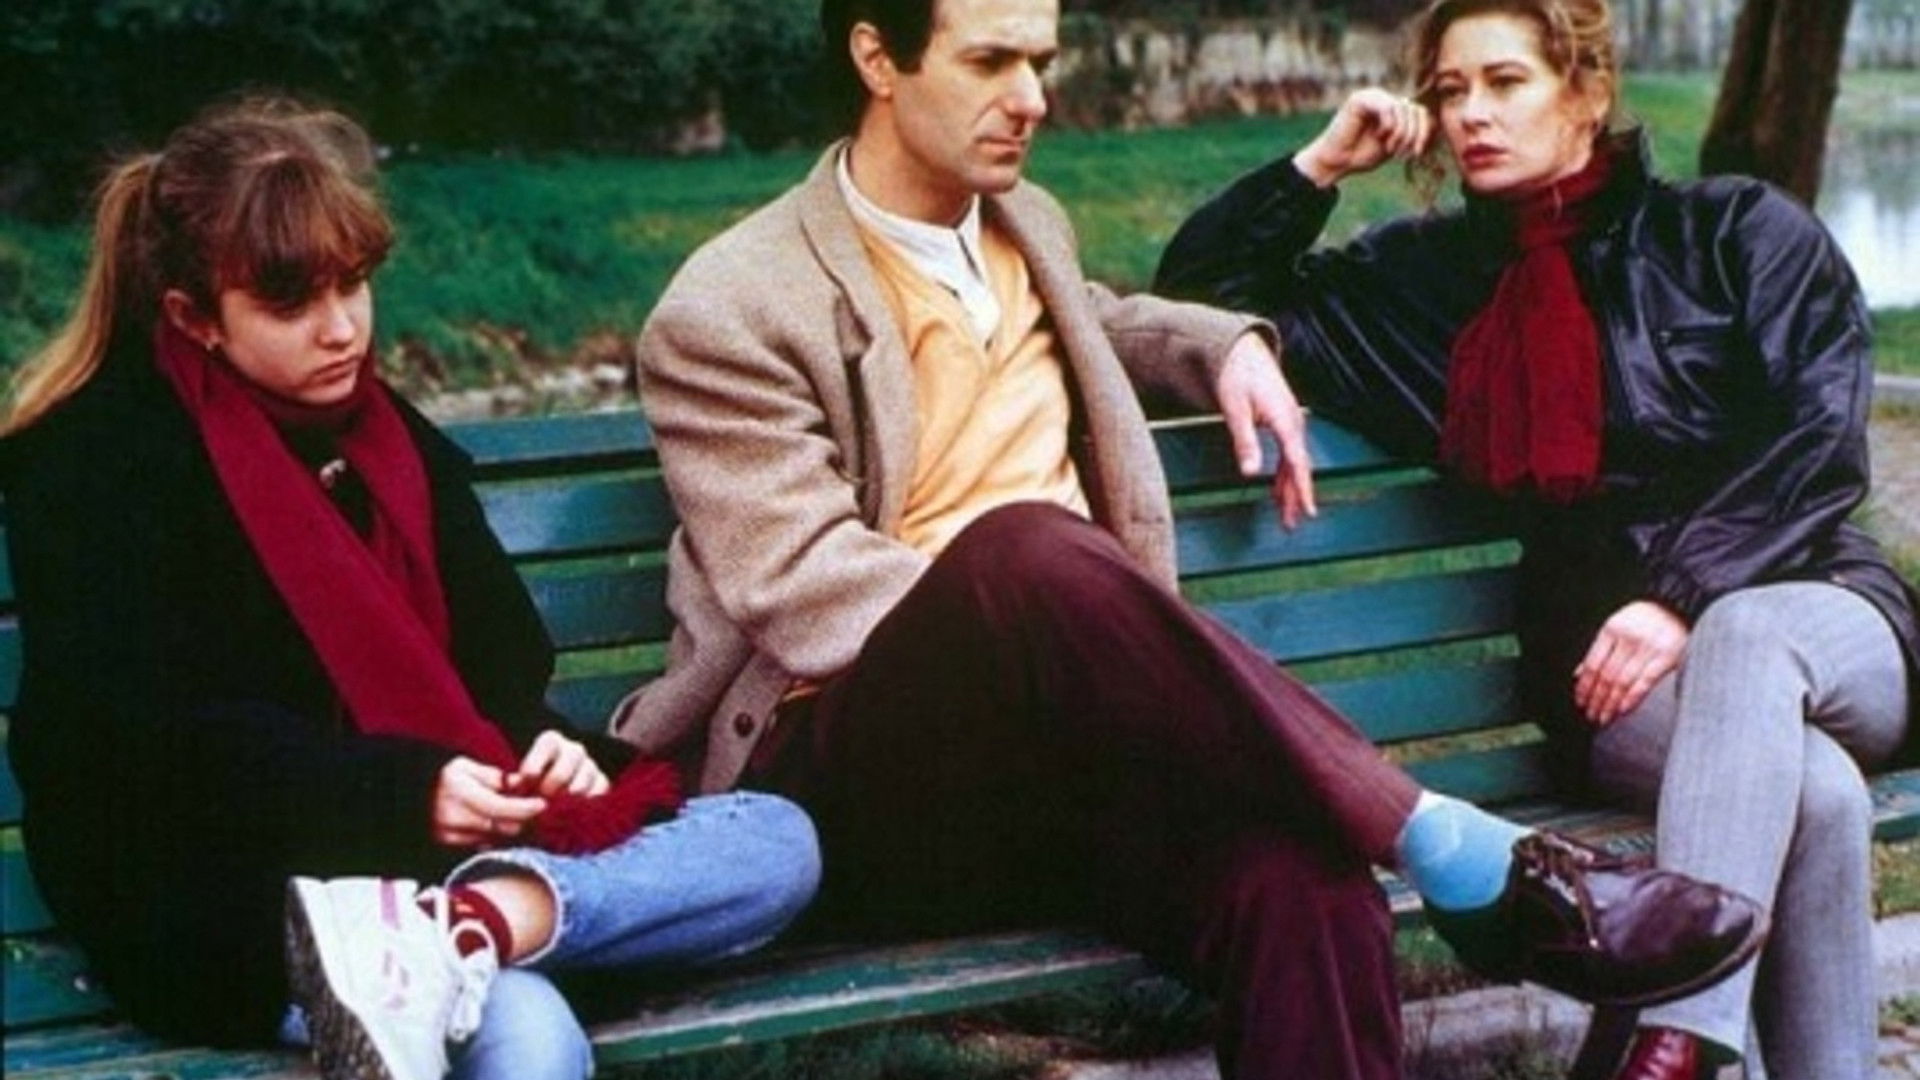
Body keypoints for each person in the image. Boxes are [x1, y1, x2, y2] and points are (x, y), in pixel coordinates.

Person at [613, 1, 1772, 1076]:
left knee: (1309, 883)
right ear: (878, 58)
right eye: (991, 61)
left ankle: (1431, 856)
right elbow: (804, 585)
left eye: (1040, 62)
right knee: (1024, 553)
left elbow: (1106, 320)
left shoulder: (1024, 224)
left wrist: (1226, 344)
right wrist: (1034, 619)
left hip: (1068, 766)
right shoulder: (734, 305)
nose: (1032, 98)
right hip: (860, 785)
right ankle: (1458, 851)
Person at [1156, 1, 1920, 1076]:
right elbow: (1194, 293)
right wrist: (1320, 166)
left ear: (1588, 94)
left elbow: (1818, 442)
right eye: (1450, 91)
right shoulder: (1427, 290)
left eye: (1505, 81)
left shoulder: (1736, 231)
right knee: (1817, 793)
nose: (1472, 113)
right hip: (1608, 682)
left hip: (1819, 611)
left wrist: (1677, 596)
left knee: (1744, 635)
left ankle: (1679, 1042)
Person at [0, 97, 820, 1080]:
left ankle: (458, 934)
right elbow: (145, 744)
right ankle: (434, 947)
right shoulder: (98, 465)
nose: (341, 330)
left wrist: (544, 756)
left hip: (441, 871)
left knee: (777, 842)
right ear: (194, 318)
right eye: (291, 304)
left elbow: (496, 677)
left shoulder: (385, 438)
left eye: (353, 286)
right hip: (233, 889)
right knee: (532, 1037)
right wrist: (404, 796)